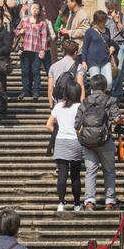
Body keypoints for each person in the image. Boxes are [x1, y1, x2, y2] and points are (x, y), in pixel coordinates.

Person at [76, 74, 121, 211]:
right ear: (105, 86)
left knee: (90, 171)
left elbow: (76, 124)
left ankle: (89, 201)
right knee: (109, 171)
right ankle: (110, 201)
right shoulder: (110, 100)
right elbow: (116, 118)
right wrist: (122, 122)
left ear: (92, 86)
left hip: (88, 142)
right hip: (105, 141)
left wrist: (84, 135)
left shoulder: (85, 102)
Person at [48, 79, 85, 213]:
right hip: (76, 142)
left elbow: (48, 125)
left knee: (62, 174)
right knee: (75, 175)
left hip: (61, 141)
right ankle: (76, 203)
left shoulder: (59, 106)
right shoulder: (81, 107)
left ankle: (61, 203)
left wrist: (58, 131)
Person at [33, 0, 64, 64]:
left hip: (39, 20)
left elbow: (34, 5)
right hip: (53, 20)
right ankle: (53, 62)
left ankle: (39, 62)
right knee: (52, 43)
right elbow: (61, 7)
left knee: (38, 41)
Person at [80, 9, 115, 86]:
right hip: (93, 61)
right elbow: (84, 47)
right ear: (96, 21)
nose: (103, 23)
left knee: (108, 82)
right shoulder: (89, 31)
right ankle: (94, 97)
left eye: (104, 20)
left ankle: (106, 97)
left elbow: (109, 43)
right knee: (95, 84)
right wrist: (84, 61)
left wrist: (111, 47)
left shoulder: (107, 31)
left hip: (105, 60)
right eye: (101, 21)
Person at [48, 38, 85, 107]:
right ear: (76, 52)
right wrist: (82, 106)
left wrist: (51, 107)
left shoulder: (53, 67)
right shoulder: (78, 67)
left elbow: (50, 89)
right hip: (73, 104)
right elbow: (81, 86)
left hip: (58, 104)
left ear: (63, 51)